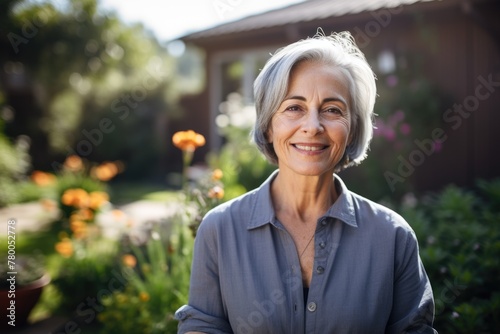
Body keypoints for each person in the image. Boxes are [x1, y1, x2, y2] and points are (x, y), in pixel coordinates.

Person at [175, 31, 437, 333]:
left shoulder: (392, 237)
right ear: (268, 125)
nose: (312, 127)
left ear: (352, 129)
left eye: (332, 110)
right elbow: (203, 325)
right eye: (294, 107)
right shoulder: (220, 229)